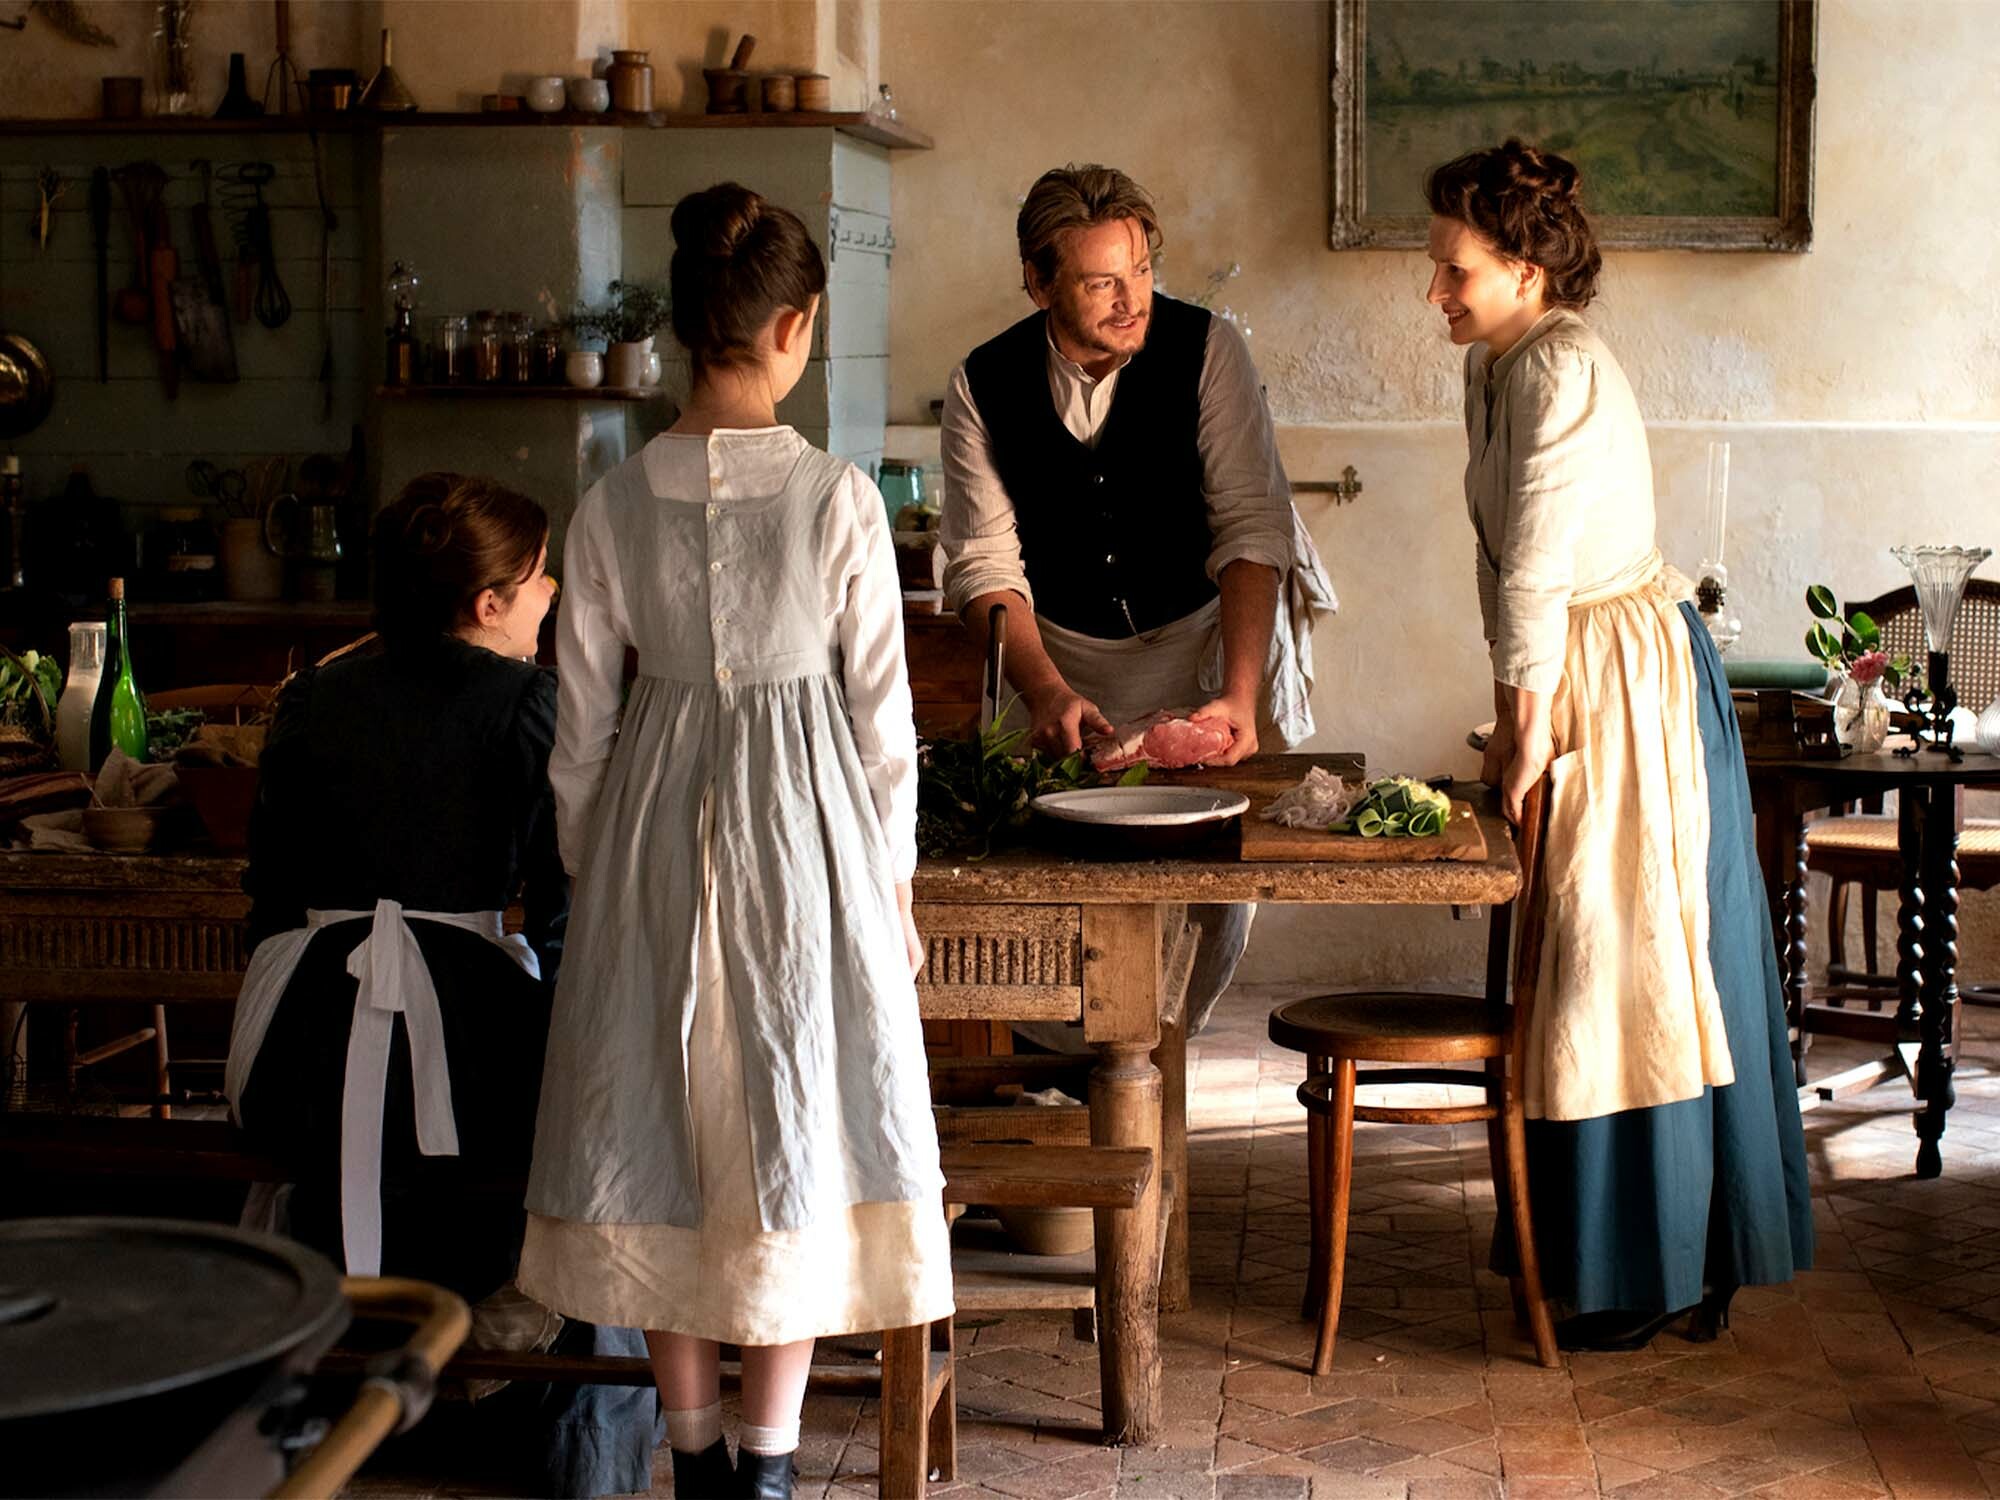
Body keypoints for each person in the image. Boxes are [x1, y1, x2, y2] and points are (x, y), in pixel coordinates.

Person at [518, 182, 953, 1500]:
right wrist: (888, 893)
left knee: (657, 1125)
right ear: (795, 327)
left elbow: (577, 732)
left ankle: (695, 1453)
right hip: (809, 837)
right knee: (797, 1118)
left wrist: (603, 879)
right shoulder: (835, 501)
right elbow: (886, 732)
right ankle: (764, 1465)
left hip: (649, 823)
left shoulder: (609, 503)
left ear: (689, 327)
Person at [1424, 139, 1812, 1348]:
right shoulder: (1497, 362)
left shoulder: (1558, 370)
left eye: (1455, 271)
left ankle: (1670, 1265)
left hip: (1620, 680)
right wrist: (1517, 712)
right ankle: (1620, 1252)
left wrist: (1526, 729)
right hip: (1573, 666)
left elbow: (1536, 567)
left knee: (1628, 967)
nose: (1434, 292)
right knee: (1595, 971)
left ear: (1528, 269)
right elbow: (1509, 571)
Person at [227, 474, 658, 1496]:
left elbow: (269, 895)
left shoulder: (311, 694)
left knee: (363, 1139)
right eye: (539, 576)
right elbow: (563, 915)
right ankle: (514, 1383)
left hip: (303, 1038)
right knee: (570, 1122)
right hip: (465, 1038)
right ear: (488, 605)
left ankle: (352, 1377)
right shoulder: (529, 705)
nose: (552, 592)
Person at [940, 163, 1335, 1043]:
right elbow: (983, 565)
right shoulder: (983, 382)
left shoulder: (1210, 350)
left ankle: (1142, 1103)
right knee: (1052, 909)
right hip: (1056, 664)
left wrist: (1237, 694)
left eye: (1143, 270)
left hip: (1198, 653)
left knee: (1191, 913)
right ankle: (1075, 1106)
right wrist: (1044, 693)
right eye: (1101, 281)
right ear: (1038, 282)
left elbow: (1248, 527)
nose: (1134, 300)